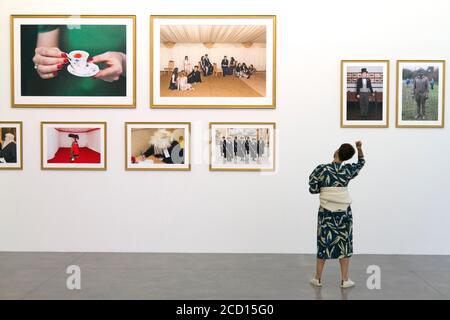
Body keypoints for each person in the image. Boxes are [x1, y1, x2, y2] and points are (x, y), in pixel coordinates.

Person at [309, 141, 365, 289]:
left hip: (326, 212)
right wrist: (359, 149)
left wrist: (324, 189)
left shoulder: (322, 169)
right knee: (344, 243)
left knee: (323, 243)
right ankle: (345, 280)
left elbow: (312, 188)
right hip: (344, 212)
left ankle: (318, 278)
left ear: (337, 151)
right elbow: (361, 163)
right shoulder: (348, 169)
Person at [31, 24, 127, 96]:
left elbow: (141, 69)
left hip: (119, 105)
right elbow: (44, 59)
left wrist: (123, 60)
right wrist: (43, 63)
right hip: (64, 101)